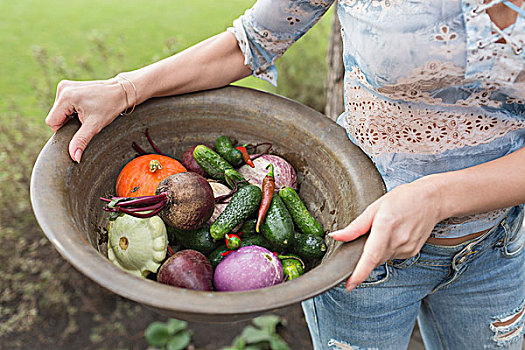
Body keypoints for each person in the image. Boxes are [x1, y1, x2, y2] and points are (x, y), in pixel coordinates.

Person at [46, 0, 525, 348]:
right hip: (357, 251)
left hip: (498, 250)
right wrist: (125, 88)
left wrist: (435, 198)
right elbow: (249, 42)